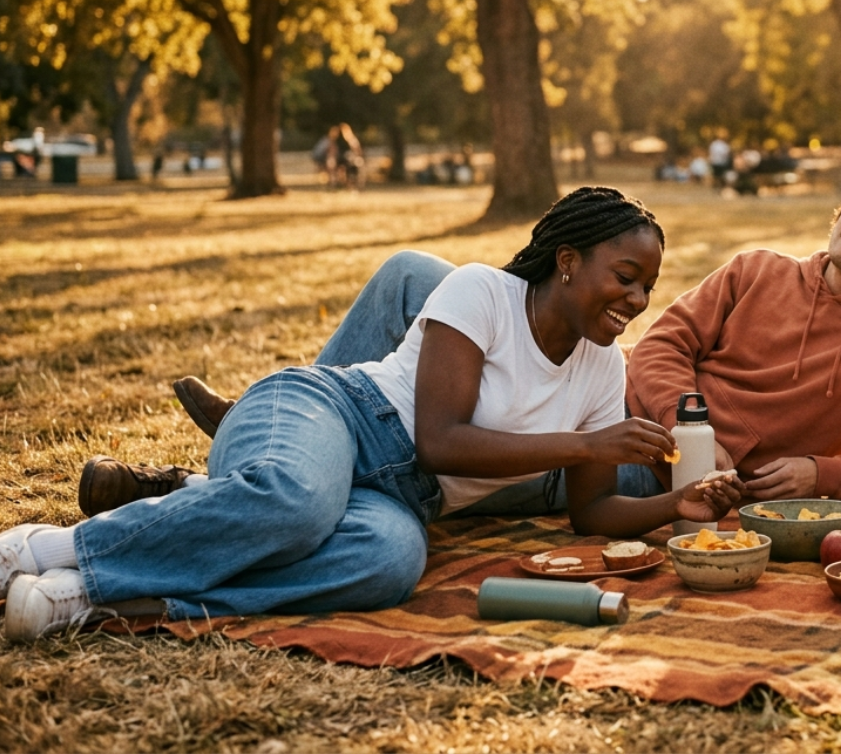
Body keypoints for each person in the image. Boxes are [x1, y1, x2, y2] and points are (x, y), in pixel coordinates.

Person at [3, 188, 741, 641]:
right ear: (569, 261)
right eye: (626, 277)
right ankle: (58, 558)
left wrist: (683, 500)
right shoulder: (483, 293)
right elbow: (440, 440)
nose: (638, 301)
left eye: (649, 286)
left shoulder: (601, 369)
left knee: (387, 563)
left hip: (401, 501)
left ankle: (132, 600)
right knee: (296, 498)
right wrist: (585, 445)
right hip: (336, 410)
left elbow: (593, 516)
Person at [84, 151, 841, 514]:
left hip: (618, 464)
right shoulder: (759, 268)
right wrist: (676, 419)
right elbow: (661, 348)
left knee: (440, 462)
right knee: (406, 274)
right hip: (615, 410)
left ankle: (200, 484)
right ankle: (287, 422)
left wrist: (818, 471)